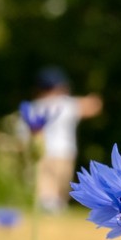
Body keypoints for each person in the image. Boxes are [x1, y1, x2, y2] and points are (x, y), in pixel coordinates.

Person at [27, 67, 103, 212]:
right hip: (64, 152)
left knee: (45, 184)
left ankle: (48, 208)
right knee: (60, 186)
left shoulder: (33, 107)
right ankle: (54, 209)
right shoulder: (66, 104)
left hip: (44, 152)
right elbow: (92, 107)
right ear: (60, 87)